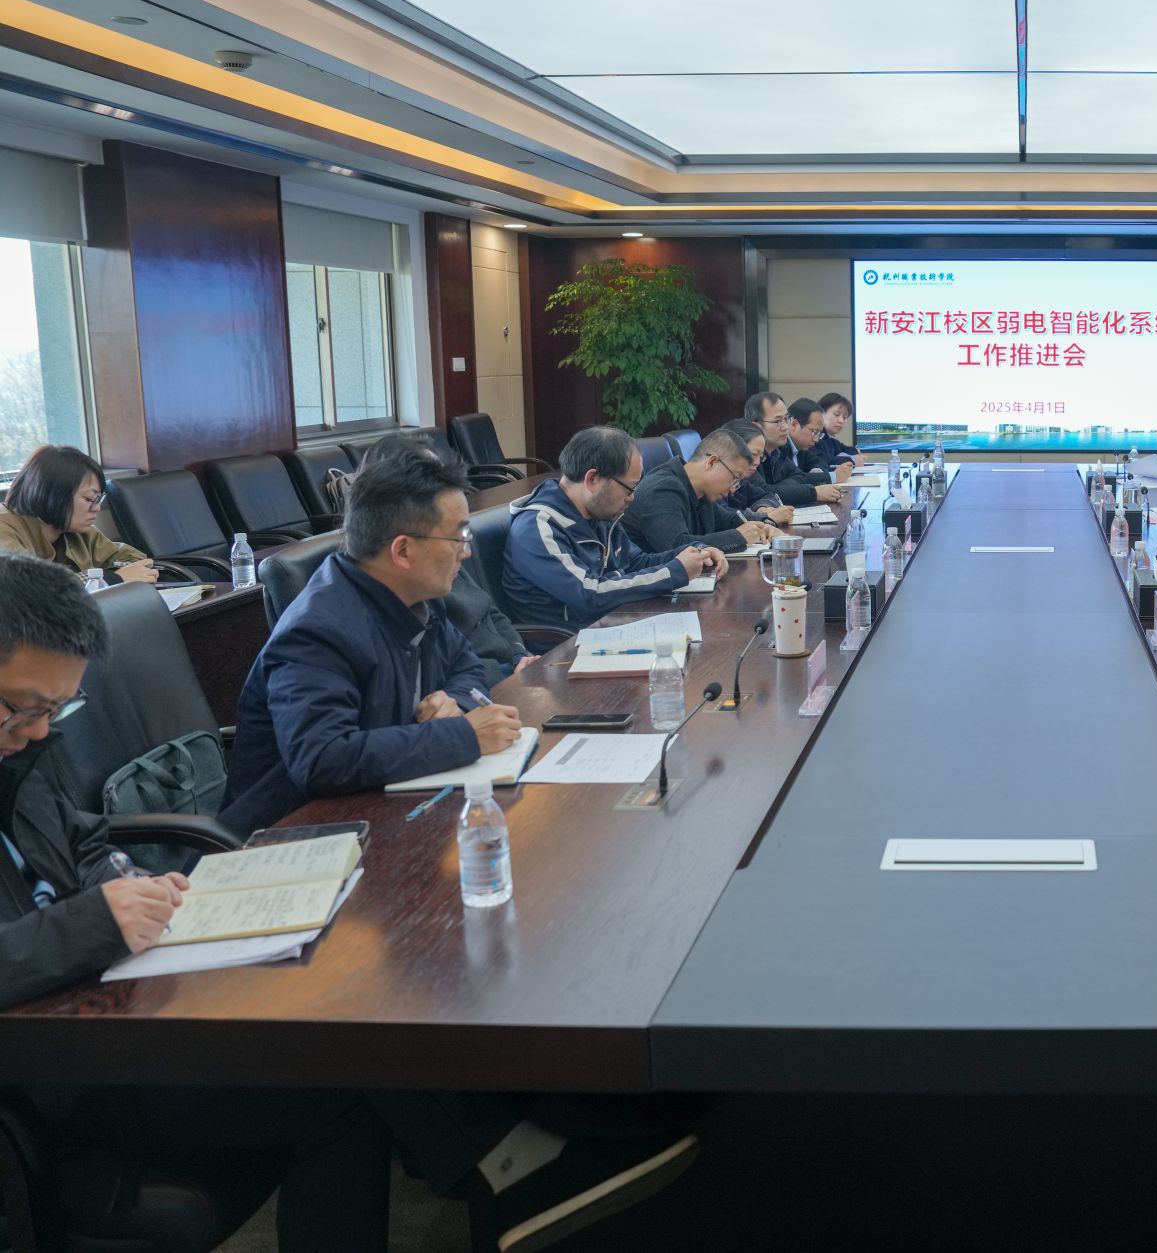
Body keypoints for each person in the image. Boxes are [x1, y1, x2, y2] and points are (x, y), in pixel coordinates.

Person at [0, 554, 701, 1252]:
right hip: (56, 1075)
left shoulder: (22, 751)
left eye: (56, 711)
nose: (36, 731)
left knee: (346, 985)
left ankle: (515, 1156)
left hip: (107, 1002)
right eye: (24, 709)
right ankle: (510, 1163)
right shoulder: (322, 626)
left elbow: (82, 839)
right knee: (336, 1073)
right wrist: (92, 920)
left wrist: (121, 879)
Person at [220, 446, 529, 836]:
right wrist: (464, 736)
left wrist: (455, 700)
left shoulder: (415, 596)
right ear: (403, 550)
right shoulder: (316, 632)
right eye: (458, 537)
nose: (466, 552)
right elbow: (322, 759)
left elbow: (466, 665)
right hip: (291, 835)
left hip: (384, 808)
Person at [500, 426, 727, 630]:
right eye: (629, 488)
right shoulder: (538, 527)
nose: (632, 497)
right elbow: (589, 594)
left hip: (612, 624)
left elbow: (636, 562)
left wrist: (695, 552)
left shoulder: (599, 513)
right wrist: (674, 572)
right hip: (565, 645)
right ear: (592, 479)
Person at [348, 434, 533, 683]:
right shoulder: (329, 630)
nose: (465, 552)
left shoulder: (435, 557)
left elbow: (460, 667)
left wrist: (519, 655)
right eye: (431, 477)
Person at [0, 445, 158, 583]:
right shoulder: (4, 530)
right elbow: (30, 590)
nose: (97, 508)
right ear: (53, 495)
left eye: (98, 500)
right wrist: (111, 579)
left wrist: (114, 576)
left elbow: (135, 560)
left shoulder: (78, 530)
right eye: (89, 499)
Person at [623, 427, 777, 556]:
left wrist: (763, 525)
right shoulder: (662, 489)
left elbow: (726, 520)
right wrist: (739, 537)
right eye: (734, 477)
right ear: (712, 462)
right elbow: (677, 546)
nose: (732, 488)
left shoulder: (699, 489)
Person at [745, 391, 846, 506]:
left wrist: (777, 488)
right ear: (756, 426)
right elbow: (763, 493)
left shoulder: (776, 451)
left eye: (786, 419)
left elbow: (800, 476)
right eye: (778, 421)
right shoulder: (745, 453)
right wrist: (813, 493)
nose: (785, 427)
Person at [716, 419, 796, 526]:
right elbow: (722, 517)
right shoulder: (712, 484)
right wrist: (766, 517)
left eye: (761, 457)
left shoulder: (741, 481)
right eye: (753, 455)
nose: (757, 462)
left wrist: (762, 507)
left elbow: (768, 495)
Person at [789, 398, 854, 479]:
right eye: (814, 432)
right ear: (794, 425)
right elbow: (793, 480)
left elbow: (820, 462)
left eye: (845, 417)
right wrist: (832, 477)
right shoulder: (780, 449)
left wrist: (817, 472)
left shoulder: (801, 449)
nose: (816, 439)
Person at [816, 391, 863, 466]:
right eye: (836, 414)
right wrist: (853, 459)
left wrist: (856, 453)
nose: (841, 421)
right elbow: (823, 461)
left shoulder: (831, 440)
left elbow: (848, 449)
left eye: (844, 417)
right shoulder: (815, 437)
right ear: (821, 413)